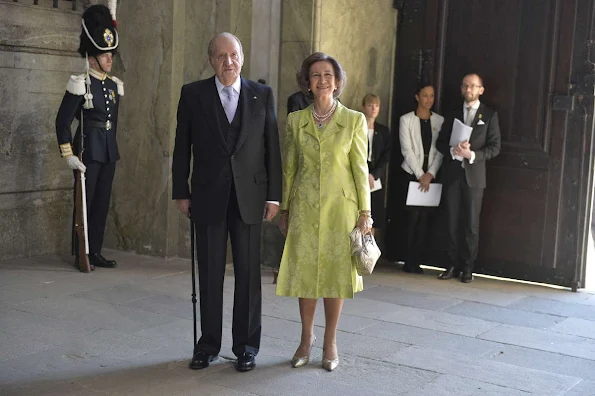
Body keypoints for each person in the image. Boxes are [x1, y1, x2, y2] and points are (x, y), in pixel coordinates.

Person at [172, 32, 282, 372]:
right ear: (211, 61)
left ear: (242, 57)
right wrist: (181, 190)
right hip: (207, 196)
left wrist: (274, 195)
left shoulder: (262, 95)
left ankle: (246, 347)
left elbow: (271, 149)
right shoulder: (192, 94)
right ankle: (207, 346)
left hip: (250, 197)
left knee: (249, 276)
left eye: (233, 55)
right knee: (209, 273)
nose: (228, 62)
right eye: (220, 56)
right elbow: (181, 147)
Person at [276, 52, 372, 372]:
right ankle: (306, 338)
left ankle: (330, 341)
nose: (322, 80)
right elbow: (289, 168)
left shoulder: (354, 120)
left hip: (340, 211)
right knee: (305, 276)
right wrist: (284, 209)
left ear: (338, 81)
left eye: (328, 74)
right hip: (304, 207)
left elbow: (360, 169)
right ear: (307, 82)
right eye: (315, 75)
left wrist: (365, 212)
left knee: (334, 277)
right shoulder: (295, 120)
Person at [55, 4, 123, 271]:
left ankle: (94, 251)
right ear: (92, 57)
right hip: (88, 152)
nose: (110, 59)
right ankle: (80, 252)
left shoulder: (113, 85)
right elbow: (62, 121)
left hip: (107, 151)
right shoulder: (80, 82)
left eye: (111, 55)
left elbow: (112, 123)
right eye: (105, 55)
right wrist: (69, 154)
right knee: (85, 203)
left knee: (102, 203)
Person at [436, 73, 501, 283]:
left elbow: (495, 147)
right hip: (453, 175)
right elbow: (440, 143)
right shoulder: (453, 113)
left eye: (473, 86)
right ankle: (451, 265)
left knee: (471, 224)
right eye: (465, 86)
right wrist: (453, 150)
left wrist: (472, 155)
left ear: (481, 90)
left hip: (474, 177)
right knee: (451, 221)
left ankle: (468, 268)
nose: (468, 90)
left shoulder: (489, 115)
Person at [398, 84, 444, 273]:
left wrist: (430, 173)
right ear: (417, 97)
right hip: (411, 174)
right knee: (411, 219)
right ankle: (408, 260)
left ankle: (418, 259)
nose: (428, 99)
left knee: (425, 220)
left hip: (431, 175)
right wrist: (420, 175)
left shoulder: (439, 121)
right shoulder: (406, 120)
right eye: (425, 95)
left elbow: (440, 150)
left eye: (431, 96)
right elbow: (406, 150)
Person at [362, 93, 391, 236]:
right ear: (363, 107)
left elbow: (386, 155)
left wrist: (374, 174)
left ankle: (370, 252)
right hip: (360, 175)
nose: (374, 109)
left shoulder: (384, 131)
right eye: (370, 105)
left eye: (377, 105)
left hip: (376, 179)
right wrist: (364, 174)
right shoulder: (357, 128)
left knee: (374, 216)